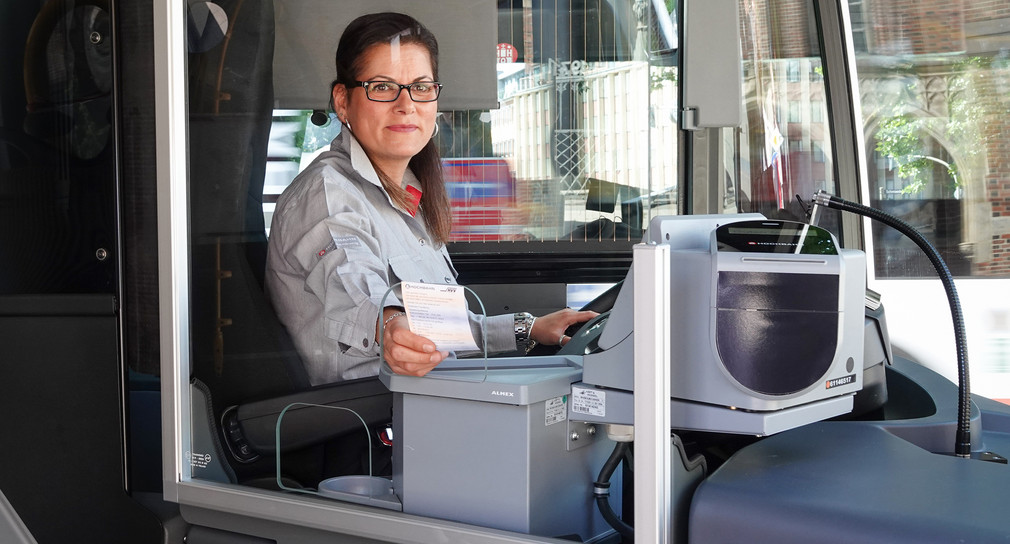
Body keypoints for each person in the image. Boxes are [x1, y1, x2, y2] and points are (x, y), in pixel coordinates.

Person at [265, 12, 596, 386]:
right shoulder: (327, 195)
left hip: (437, 400)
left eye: (420, 87)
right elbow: (354, 284)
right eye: (382, 86)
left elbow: (439, 329)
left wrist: (528, 328)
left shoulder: (407, 195)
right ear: (343, 102)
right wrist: (390, 323)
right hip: (372, 423)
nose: (406, 104)